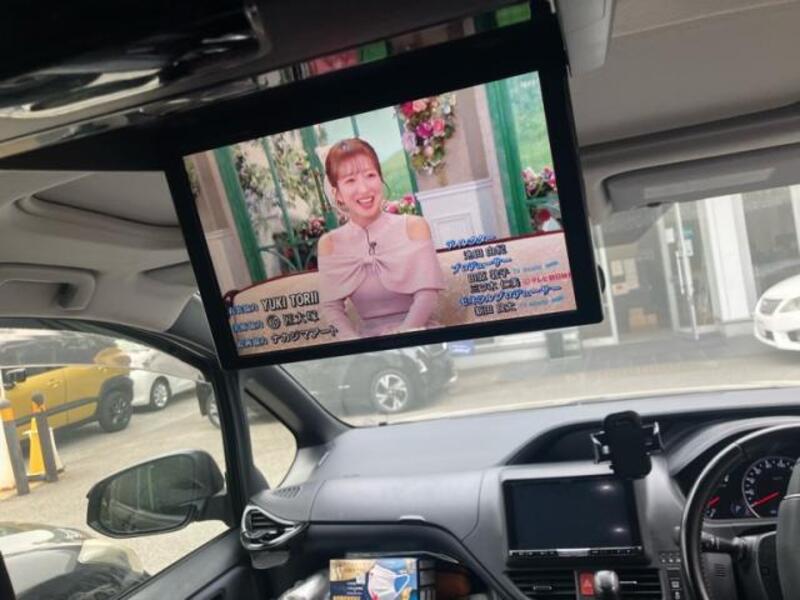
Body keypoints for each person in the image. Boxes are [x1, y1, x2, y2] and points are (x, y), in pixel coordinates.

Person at [317, 139, 445, 339]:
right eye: (350, 180)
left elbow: (427, 295)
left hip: (418, 335)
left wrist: (401, 339)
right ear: (337, 194)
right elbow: (331, 309)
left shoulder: (414, 227)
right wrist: (359, 347)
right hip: (367, 346)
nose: (364, 189)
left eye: (370, 175)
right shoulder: (329, 244)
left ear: (380, 179)